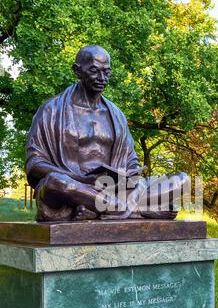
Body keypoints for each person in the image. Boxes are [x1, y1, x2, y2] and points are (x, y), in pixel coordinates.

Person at [26, 45, 188, 221]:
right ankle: (130, 209)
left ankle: (101, 208)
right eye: (95, 71)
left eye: (106, 72)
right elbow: (34, 163)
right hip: (76, 187)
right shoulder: (51, 110)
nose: (102, 78)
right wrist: (79, 178)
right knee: (55, 182)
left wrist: (131, 174)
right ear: (77, 71)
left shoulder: (116, 115)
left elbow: (130, 159)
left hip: (116, 188)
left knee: (182, 180)